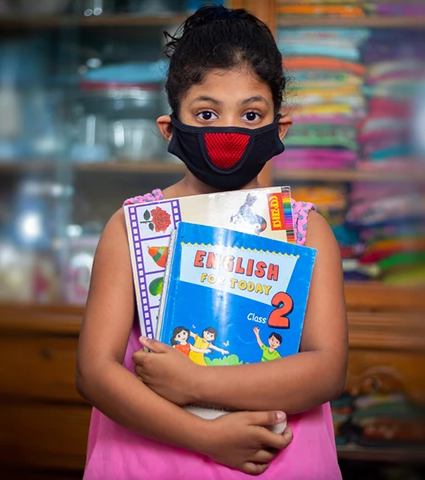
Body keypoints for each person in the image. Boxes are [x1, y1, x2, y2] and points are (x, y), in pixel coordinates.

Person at [76, 5, 348, 479]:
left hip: (279, 461)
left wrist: (197, 381)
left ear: (278, 129)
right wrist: (206, 437)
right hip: (151, 461)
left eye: (251, 114)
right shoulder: (130, 227)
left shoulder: (308, 230)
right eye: (206, 112)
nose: (229, 132)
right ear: (170, 129)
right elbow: (94, 373)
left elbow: (327, 370)